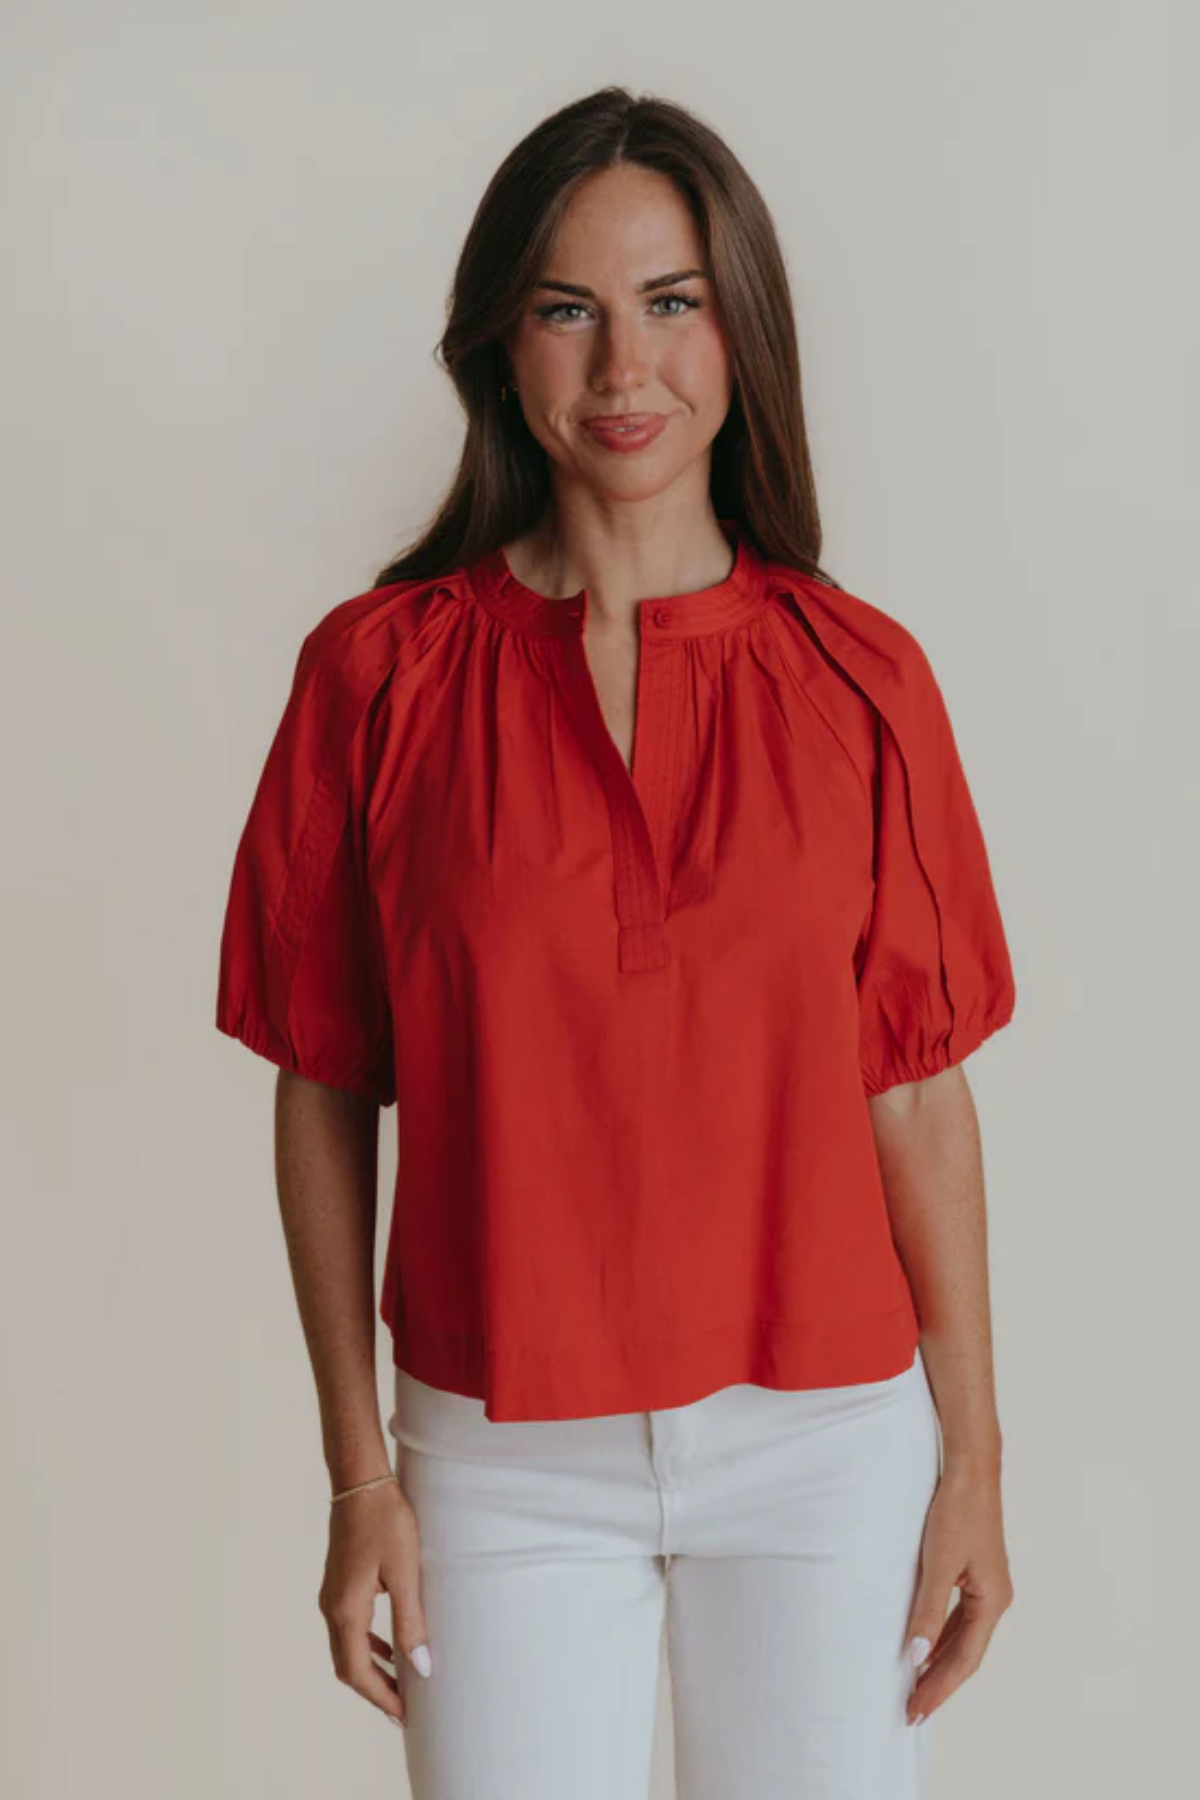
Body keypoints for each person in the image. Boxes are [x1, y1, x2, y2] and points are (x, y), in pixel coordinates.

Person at [215, 85, 1017, 1800]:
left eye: (673, 304)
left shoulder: (863, 680)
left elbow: (918, 1095)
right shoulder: (378, 679)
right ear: (501, 346)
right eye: (567, 310)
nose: (623, 369)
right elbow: (320, 1085)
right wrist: (362, 1477)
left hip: (827, 1445)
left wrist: (977, 1463)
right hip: (498, 1456)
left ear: (742, 330)